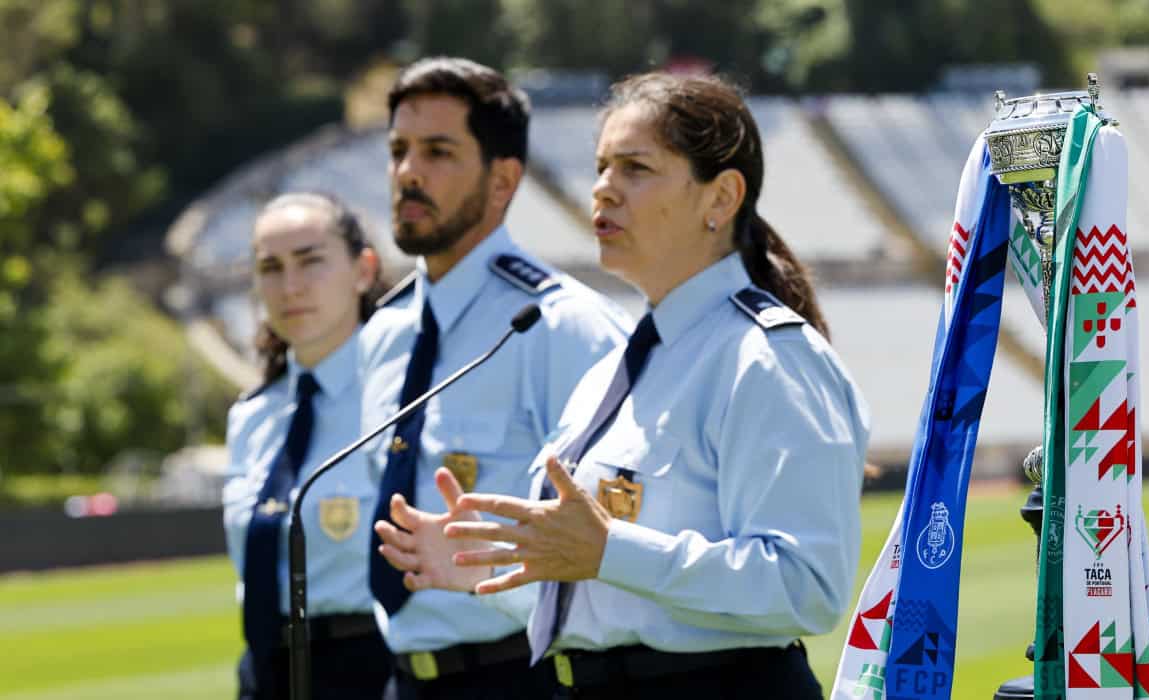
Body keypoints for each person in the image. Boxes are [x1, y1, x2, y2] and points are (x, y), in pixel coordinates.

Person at [377, 72, 871, 699]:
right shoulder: (618, 370)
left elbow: (809, 588)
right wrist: (484, 568)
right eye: (602, 166)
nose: (603, 189)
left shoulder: (766, 358)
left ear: (720, 198)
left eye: (635, 168)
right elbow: (605, 602)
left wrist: (613, 550)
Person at [360, 57, 630, 700]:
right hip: (400, 679)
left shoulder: (564, 327)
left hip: (523, 676)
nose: (408, 173)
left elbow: (617, 543)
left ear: (503, 179)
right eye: (398, 150)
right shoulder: (380, 333)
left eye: (438, 151)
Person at [222, 192, 394, 699]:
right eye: (270, 267)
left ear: (363, 270)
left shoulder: (402, 398)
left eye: (311, 260)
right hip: (265, 674)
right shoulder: (251, 415)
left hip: (371, 673)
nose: (290, 286)